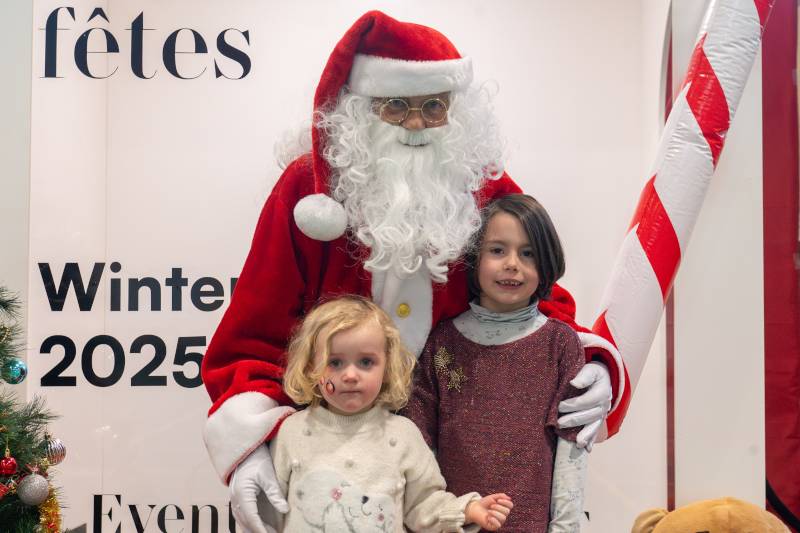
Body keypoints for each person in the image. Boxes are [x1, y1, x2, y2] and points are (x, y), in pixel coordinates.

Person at [200, 11, 626, 533]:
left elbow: (536, 298)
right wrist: (255, 445)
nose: (418, 124)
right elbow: (252, 336)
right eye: (397, 106)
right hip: (332, 451)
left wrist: (593, 365)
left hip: (456, 459)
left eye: (434, 106)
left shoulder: (476, 183)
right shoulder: (307, 193)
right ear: (361, 110)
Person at [405, 194, 589, 532]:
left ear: (546, 261)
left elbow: (571, 450)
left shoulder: (560, 344)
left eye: (528, 252)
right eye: (498, 250)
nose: (512, 264)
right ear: (475, 259)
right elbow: (418, 445)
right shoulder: (443, 342)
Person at [270, 295, 514, 532]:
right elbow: (265, 515)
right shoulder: (291, 432)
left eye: (366, 362)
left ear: (387, 367)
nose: (351, 375)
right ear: (312, 367)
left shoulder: (402, 434)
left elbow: (423, 504)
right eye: (334, 363)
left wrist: (467, 510)